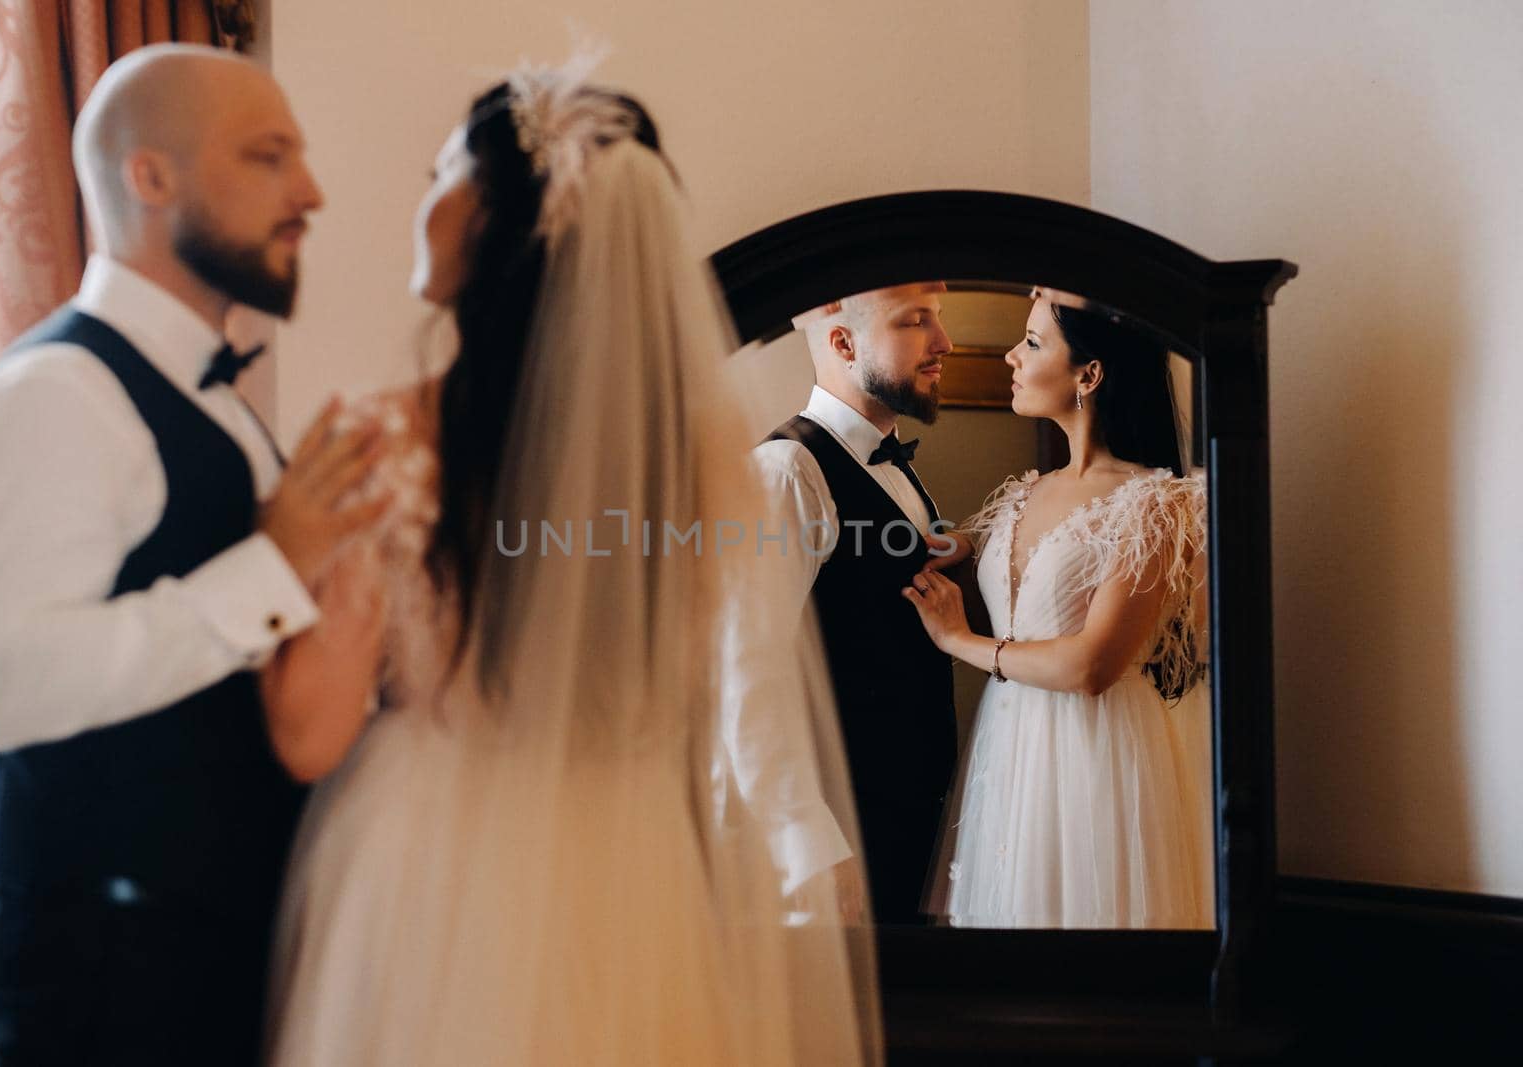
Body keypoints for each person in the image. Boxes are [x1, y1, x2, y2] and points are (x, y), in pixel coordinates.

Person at [264, 58, 880, 1065]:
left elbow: (307, 732)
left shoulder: (386, 441)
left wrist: (279, 546)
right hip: (632, 864)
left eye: (436, 177)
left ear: (488, 217)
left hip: (436, 864)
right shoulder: (693, 470)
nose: (420, 203)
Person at [0, 45, 387, 1065]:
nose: (310, 191)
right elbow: (5, 683)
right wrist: (274, 566)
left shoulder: (216, 402)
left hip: (219, 960)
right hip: (108, 988)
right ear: (150, 178)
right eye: (271, 155)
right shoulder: (52, 398)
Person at [904, 287, 1211, 929]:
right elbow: (963, 551)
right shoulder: (1023, 493)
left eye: (1034, 342)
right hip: (1010, 743)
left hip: (1094, 749)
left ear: (1090, 374)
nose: (1011, 356)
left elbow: (1092, 666)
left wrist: (958, 641)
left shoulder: (1154, 503)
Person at [754, 284, 959, 924]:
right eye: (916, 321)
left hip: (904, 818)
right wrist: (810, 847)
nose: (944, 343)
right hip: (839, 834)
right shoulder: (789, 470)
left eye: (939, 320)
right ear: (843, 342)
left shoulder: (888, 464)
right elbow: (745, 676)